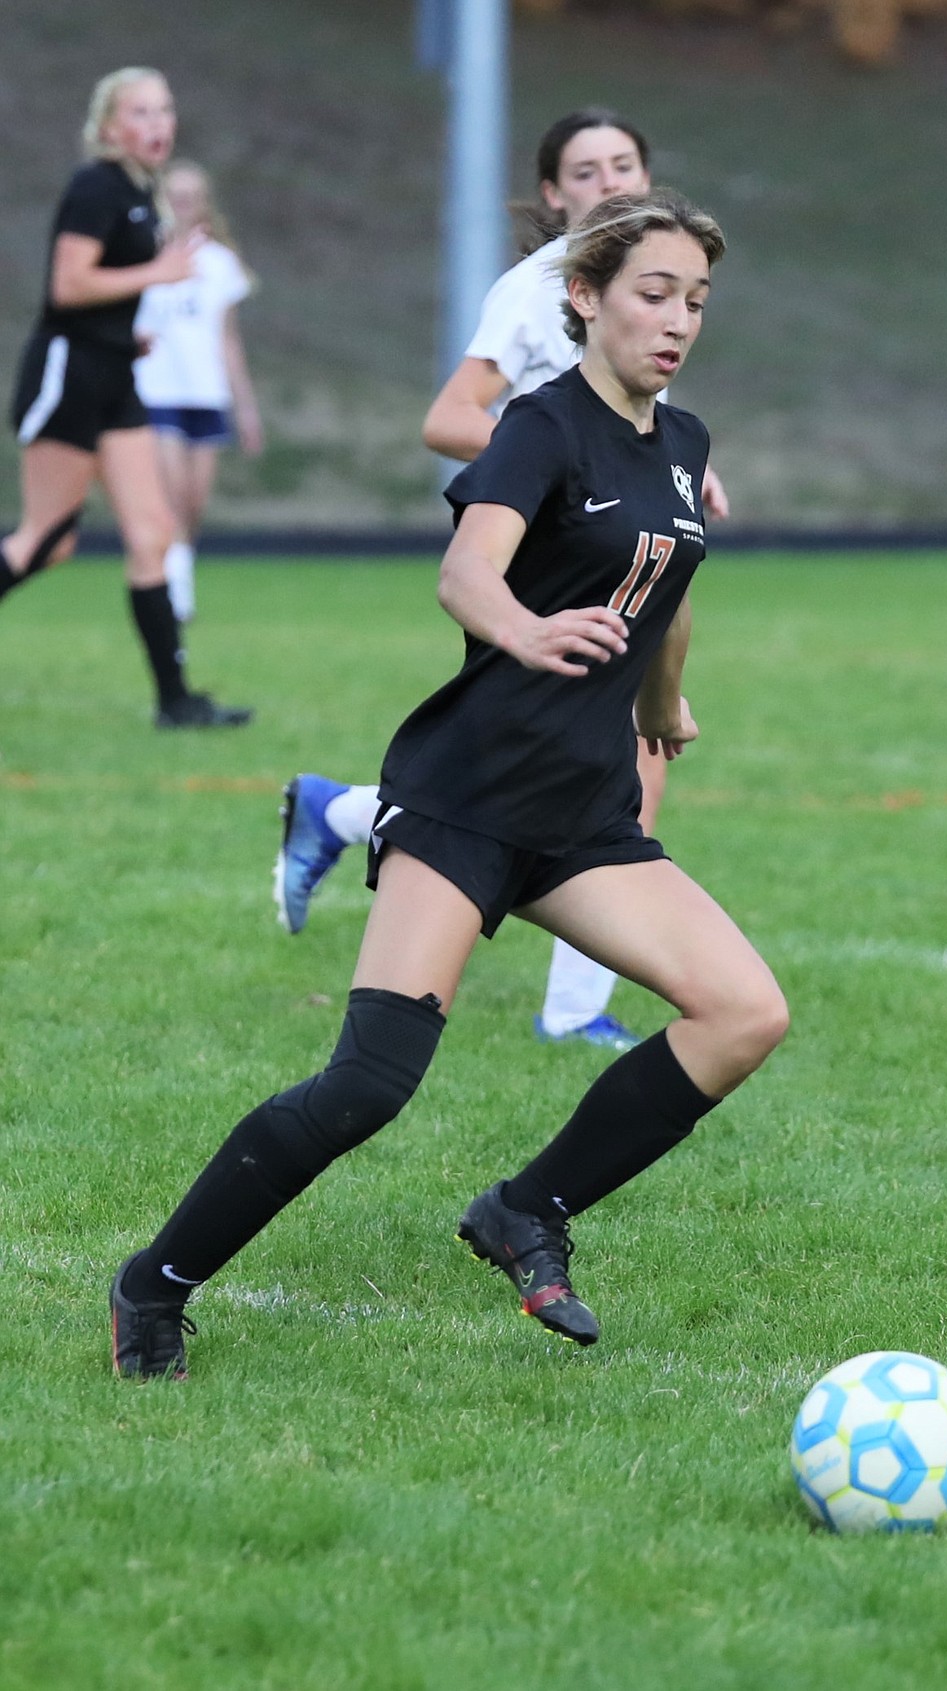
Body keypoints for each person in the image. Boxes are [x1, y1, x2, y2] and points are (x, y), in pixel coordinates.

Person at [110, 189, 789, 1380]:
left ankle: (526, 1210)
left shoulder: (684, 444)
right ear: (583, 298)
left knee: (745, 1012)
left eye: (695, 299)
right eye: (652, 293)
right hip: (469, 794)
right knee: (367, 1084)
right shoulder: (541, 424)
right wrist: (523, 632)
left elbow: (661, 594)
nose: (677, 320)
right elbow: (465, 571)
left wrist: (660, 705)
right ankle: (154, 1282)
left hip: (583, 816)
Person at [274, 108, 729, 1052]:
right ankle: (570, 1008)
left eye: (625, 165)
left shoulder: (660, 281)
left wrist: (643, 472)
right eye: (587, 170)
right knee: (547, 769)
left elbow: (643, 435)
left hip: (620, 561)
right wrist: (572, 464)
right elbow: (453, 417)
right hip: (548, 566)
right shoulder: (541, 292)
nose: (609, 182)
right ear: (555, 195)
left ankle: (340, 810)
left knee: (613, 773)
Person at [0, 67, 251, 729]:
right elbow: (67, 286)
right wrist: (160, 272)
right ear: (108, 127)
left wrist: (126, 334)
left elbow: (105, 295)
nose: (156, 124)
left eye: (164, 110)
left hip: (116, 375)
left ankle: (176, 702)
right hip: (70, 377)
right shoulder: (96, 185)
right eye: (139, 112)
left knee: (153, 533)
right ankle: (174, 698)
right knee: (46, 540)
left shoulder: (140, 194)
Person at [134, 160, 263, 624]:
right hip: (157, 391)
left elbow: (228, 339)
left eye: (192, 193)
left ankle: (179, 568)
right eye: (175, 192)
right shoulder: (142, 254)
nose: (183, 201)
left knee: (193, 501)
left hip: (205, 394)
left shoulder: (219, 263)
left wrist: (245, 408)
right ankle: (174, 590)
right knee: (169, 494)